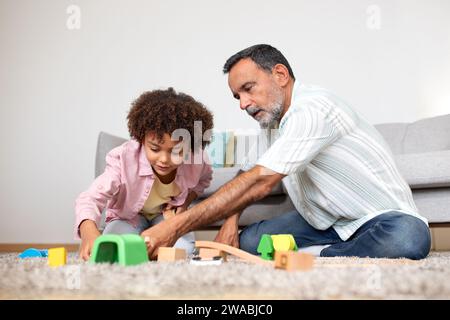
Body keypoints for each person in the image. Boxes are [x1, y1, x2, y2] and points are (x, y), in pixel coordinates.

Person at [136, 44, 431, 260]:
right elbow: (247, 173)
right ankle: (327, 252)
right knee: (250, 241)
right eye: (237, 96)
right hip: (324, 223)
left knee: (408, 240)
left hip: (379, 219)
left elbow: (260, 181)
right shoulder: (271, 123)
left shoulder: (313, 109)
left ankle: (317, 256)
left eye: (248, 89)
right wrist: (230, 221)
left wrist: (174, 226)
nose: (243, 103)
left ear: (280, 74)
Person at [75, 88, 214, 261]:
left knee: (182, 251)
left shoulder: (197, 160)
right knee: (116, 250)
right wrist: (89, 231)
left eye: (177, 152)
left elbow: (204, 180)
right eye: (155, 149)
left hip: (164, 217)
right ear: (141, 139)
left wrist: (184, 204)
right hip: (127, 218)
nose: (164, 160)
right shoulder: (122, 159)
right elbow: (90, 198)